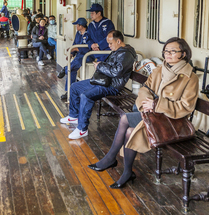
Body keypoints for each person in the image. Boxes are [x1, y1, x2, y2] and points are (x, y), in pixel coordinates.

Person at [88, 37, 199, 189]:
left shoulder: (190, 77)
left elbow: (186, 106)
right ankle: (125, 171)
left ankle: (111, 159)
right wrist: (147, 104)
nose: (168, 54)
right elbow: (145, 89)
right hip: (153, 114)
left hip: (172, 120)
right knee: (129, 131)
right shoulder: (160, 70)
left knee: (125, 119)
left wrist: (157, 105)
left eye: (173, 51)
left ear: (183, 54)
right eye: (166, 51)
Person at [60, 30, 136, 139]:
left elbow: (116, 72)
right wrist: (101, 64)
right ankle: (73, 116)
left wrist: (100, 66)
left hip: (112, 86)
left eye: (110, 43)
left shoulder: (126, 54)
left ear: (118, 41)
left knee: (86, 96)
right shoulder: (118, 50)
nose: (108, 46)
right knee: (75, 87)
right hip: (104, 81)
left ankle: (82, 129)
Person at [57, 17, 94, 100]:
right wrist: (71, 53)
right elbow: (75, 44)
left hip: (88, 56)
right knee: (71, 70)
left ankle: (65, 69)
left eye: (77, 25)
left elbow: (88, 47)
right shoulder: (78, 33)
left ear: (81, 26)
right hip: (79, 56)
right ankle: (69, 91)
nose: (76, 26)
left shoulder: (89, 34)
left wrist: (76, 49)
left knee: (71, 67)